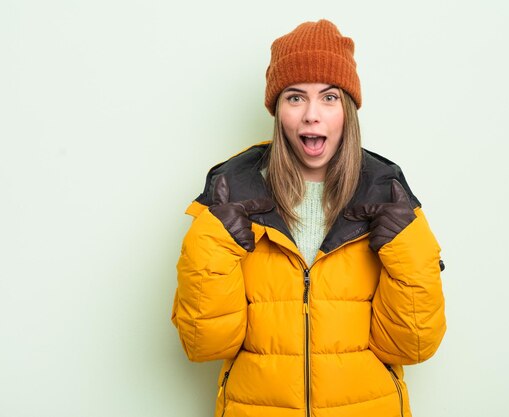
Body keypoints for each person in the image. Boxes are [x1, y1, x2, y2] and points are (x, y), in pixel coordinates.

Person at [171, 19, 446, 417]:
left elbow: (413, 346)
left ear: (348, 111)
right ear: (278, 109)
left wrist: (408, 247)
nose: (311, 115)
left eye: (329, 98)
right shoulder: (232, 195)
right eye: (295, 98)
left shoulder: (387, 196)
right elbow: (203, 345)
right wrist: (210, 243)